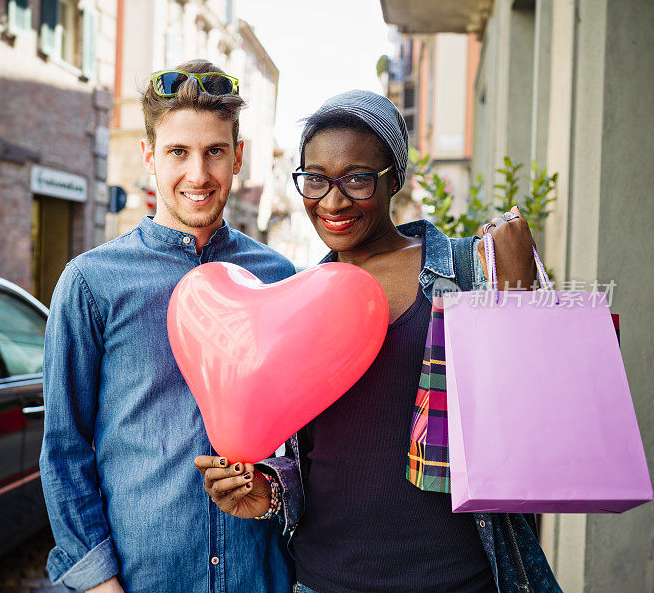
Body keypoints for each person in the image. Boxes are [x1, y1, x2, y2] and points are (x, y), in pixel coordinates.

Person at [196, 90, 562, 593]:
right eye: (316, 179)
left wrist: (519, 287)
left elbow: (539, 405)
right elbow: (323, 450)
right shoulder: (295, 299)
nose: (334, 200)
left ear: (394, 178)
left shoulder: (466, 269)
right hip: (325, 580)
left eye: (357, 178)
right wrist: (270, 489)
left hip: (460, 578)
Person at [39, 59, 295, 593]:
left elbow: (301, 444)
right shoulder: (92, 282)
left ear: (238, 156)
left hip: (258, 576)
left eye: (215, 152)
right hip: (143, 580)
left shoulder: (278, 279)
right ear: (150, 157)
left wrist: (274, 490)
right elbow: (65, 448)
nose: (198, 175)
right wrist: (97, 581)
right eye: (179, 152)